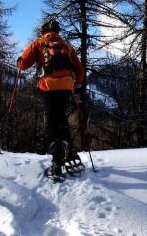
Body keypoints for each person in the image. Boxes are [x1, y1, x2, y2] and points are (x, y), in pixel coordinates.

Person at [17, 20, 85, 177]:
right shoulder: (66, 46)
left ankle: (56, 158)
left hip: (48, 87)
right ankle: (68, 145)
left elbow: (24, 64)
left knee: (51, 121)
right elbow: (79, 68)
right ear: (57, 31)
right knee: (61, 116)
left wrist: (19, 62)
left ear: (44, 31)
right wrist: (78, 83)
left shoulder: (39, 43)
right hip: (67, 87)